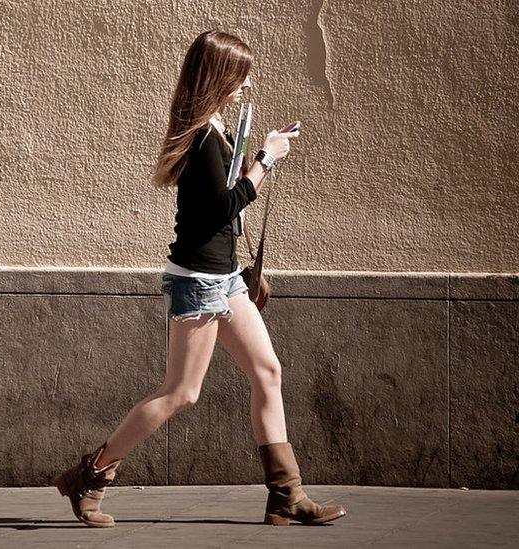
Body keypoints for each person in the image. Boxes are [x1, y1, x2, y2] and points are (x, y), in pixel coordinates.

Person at [53, 29, 347, 528]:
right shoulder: (204, 136)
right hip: (198, 281)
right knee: (180, 394)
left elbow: (224, 206)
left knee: (268, 372)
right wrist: (267, 159)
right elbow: (221, 207)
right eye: (240, 76)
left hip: (225, 277)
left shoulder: (215, 129)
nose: (247, 85)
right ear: (218, 76)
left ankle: (285, 495)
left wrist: (258, 158)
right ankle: (90, 475)